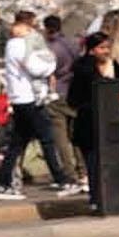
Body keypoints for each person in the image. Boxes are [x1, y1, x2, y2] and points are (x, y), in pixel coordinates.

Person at [0, 10, 79, 202]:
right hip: (28, 99)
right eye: (32, 26)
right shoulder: (19, 45)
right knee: (47, 138)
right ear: (24, 26)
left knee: (17, 143)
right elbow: (35, 67)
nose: (34, 31)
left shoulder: (14, 44)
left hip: (23, 98)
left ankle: (3, 183)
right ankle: (62, 179)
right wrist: (50, 65)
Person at [67, 30, 119, 210]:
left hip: (113, 121)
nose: (106, 51)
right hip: (90, 123)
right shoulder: (83, 68)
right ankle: (96, 199)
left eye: (107, 47)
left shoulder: (114, 66)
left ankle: (118, 193)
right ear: (92, 50)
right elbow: (73, 99)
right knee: (93, 162)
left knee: (118, 158)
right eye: (101, 48)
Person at [42, 14, 82, 186]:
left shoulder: (50, 49)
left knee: (61, 137)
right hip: (73, 92)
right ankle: (83, 169)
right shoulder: (72, 44)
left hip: (57, 93)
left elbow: (47, 73)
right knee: (76, 135)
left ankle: (69, 173)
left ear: (46, 29)